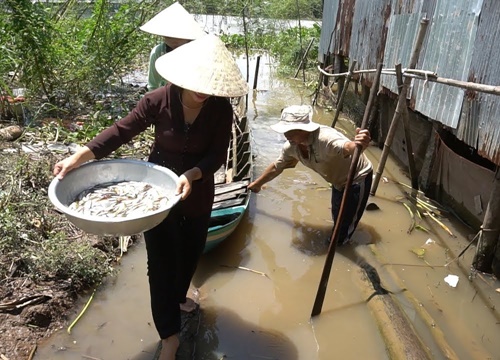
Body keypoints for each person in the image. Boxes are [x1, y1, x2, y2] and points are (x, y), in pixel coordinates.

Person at [53, 34, 248, 360]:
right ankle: (169, 336)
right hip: (157, 197)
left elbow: (217, 156)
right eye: (197, 82)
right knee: (159, 266)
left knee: (191, 254)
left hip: (198, 194)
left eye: (210, 85)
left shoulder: (220, 109)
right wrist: (79, 156)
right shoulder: (157, 100)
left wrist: (193, 174)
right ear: (182, 74)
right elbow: (120, 131)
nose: (203, 90)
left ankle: (181, 297)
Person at [248, 105, 373, 246]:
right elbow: (277, 167)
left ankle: (341, 244)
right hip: (337, 179)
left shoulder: (325, 139)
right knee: (338, 216)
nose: (287, 135)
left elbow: (347, 147)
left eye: (292, 131)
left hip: (356, 177)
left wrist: (358, 144)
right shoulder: (292, 147)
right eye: (285, 131)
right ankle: (344, 228)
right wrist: (257, 184)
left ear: (305, 129)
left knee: (342, 231)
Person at [139, 2, 206, 91]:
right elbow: (153, 86)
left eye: (178, 36)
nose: (173, 40)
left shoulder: (198, 51)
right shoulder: (158, 52)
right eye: (168, 36)